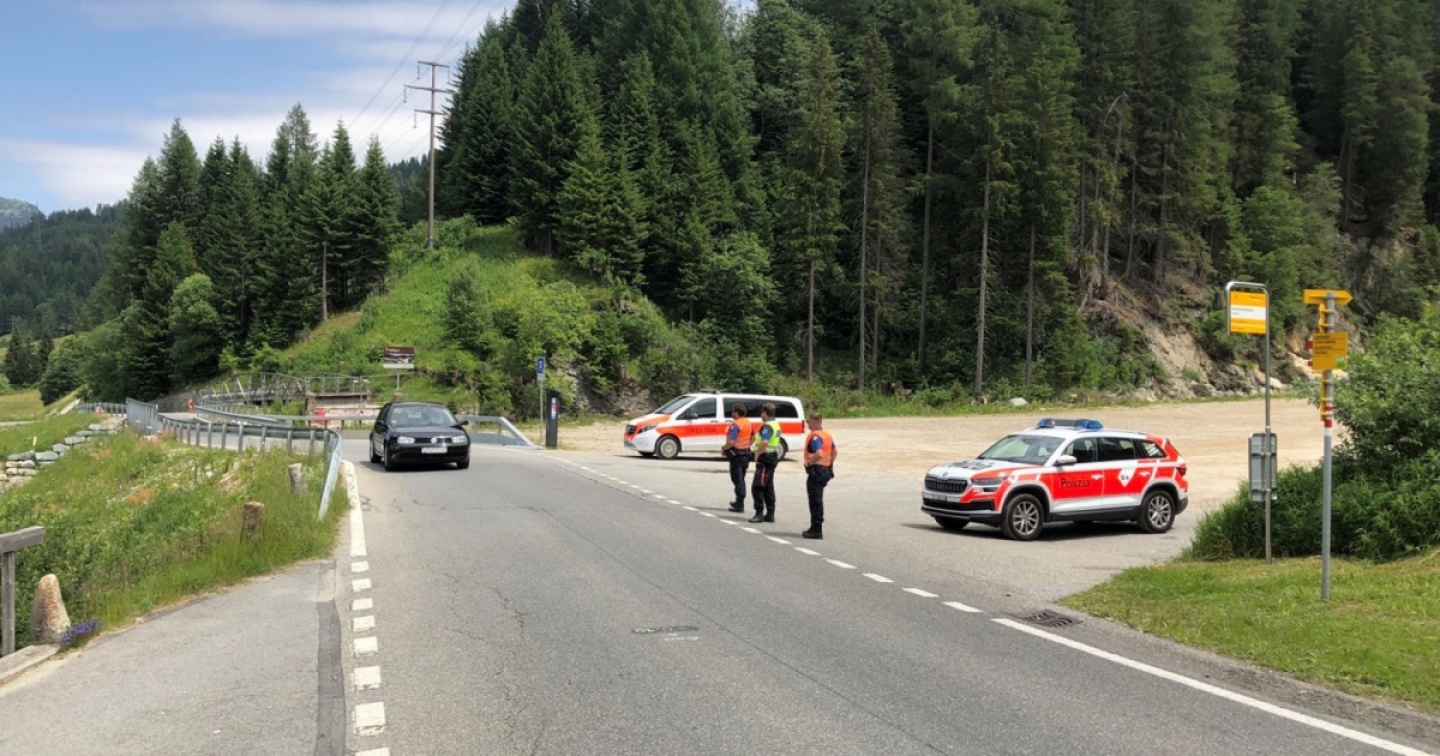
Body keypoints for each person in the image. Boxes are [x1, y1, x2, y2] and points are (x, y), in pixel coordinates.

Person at [802, 413, 837, 539]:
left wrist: (809, 463)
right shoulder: (826, 434)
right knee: (817, 499)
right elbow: (835, 452)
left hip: (817, 471)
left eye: (810, 422)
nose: (808, 424)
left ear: (816, 422)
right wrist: (829, 464)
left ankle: (816, 529)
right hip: (825, 470)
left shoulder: (815, 436)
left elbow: (819, 453)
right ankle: (815, 527)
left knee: (815, 501)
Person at [749, 403, 783, 523]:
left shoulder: (767, 426)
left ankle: (759, 513)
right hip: (772, 456)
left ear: (765, 413)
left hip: (765, 457)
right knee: (768, 486)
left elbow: (764, 442)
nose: (761, 414)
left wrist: (757, 454)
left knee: (757, 486)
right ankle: (770, 513)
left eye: (762, 412)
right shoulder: (775, 424)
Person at [721, 403, 754, 513]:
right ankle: (738, 501)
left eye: (733, 411)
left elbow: (731, 441)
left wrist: (724, 448)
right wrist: (747, 445)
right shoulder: (748, 423)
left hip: (737, 456)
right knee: (741, 478)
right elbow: (753, 437)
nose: (732, 413)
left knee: (737, 479)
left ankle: (740, 503)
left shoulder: (736, 424)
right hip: (746, 454)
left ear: (737, 412)